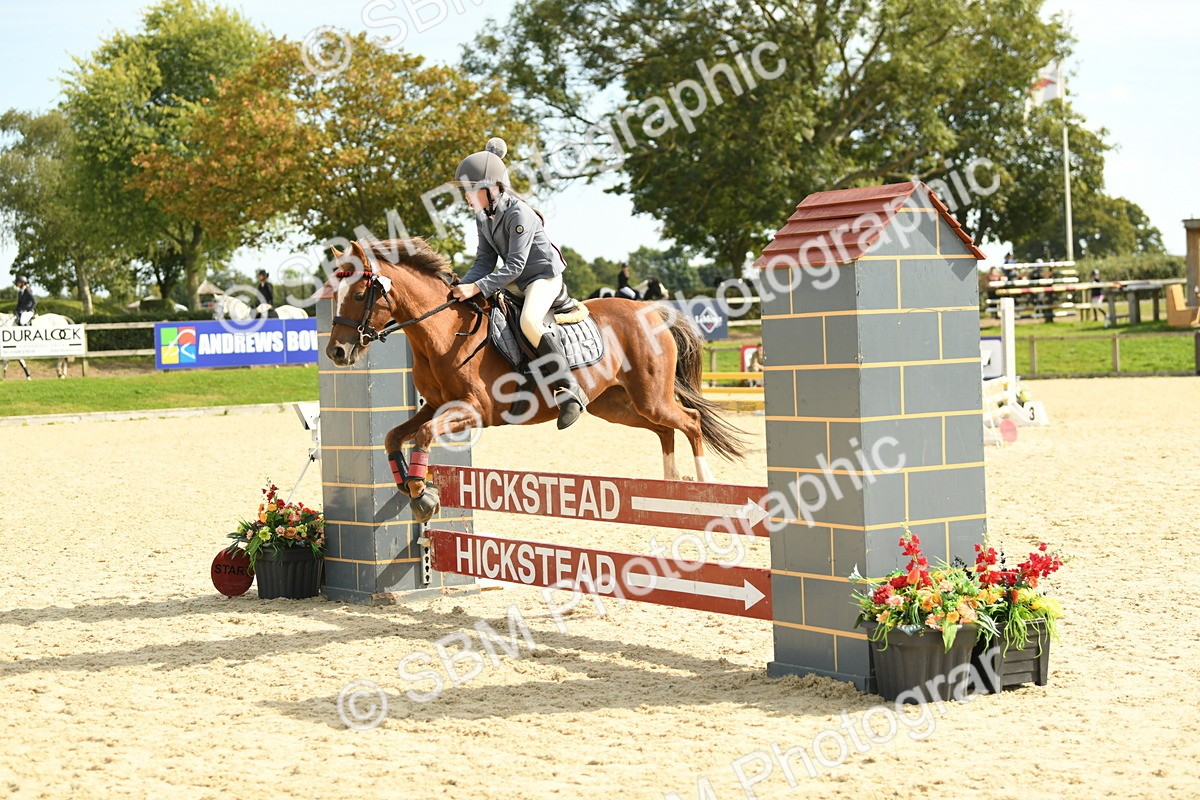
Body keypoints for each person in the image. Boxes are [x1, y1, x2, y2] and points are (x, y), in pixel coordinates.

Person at [448, 137, 584, 429]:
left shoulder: (518, 212)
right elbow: (484, 262)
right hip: (515, 280)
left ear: (491, 187)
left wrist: (477, 286)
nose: (467, 197)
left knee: (530, 322)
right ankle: (526, 375)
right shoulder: (483, 217)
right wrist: (461, 288)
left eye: (471, 190)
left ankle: (570, 389)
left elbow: (515, 265)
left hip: (542, 276)